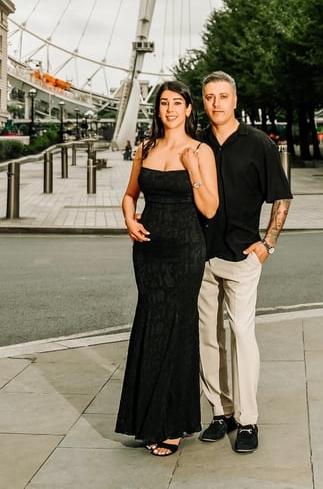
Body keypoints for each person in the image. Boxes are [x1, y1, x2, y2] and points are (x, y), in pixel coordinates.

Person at [115, 80, 219, 458]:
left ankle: (172, 424)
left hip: (186, 250)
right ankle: (145, 420)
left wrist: (192, 170)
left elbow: (209, 208)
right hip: (148, 250)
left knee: (178, 328)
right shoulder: (145, 148)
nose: (171, 109)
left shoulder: (200, 151)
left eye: (178, 103)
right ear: (157, 109)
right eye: (164, 103)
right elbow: (130, 196)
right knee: (150, 327)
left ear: (189, 109)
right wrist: (129, 220)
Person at [197, 71, 292, 454]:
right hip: (201, 254)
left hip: (242, 254)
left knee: (241, 335)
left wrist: (268, 243)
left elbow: (281, 197)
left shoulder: (258, 144)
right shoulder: (196, 143)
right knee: (207, 336)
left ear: (235, 100)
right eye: (209, 97)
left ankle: (248, 420)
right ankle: (221, 413)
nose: (216, 103)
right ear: (202, 102)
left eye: (223, 96)